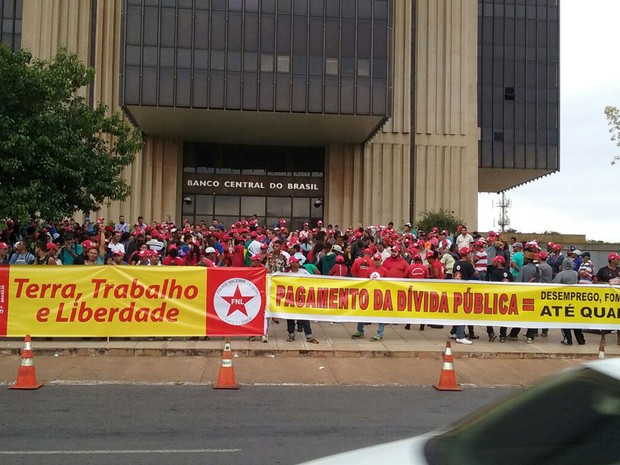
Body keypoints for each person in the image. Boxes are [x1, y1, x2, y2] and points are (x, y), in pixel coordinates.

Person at [351, 253, 389, 341]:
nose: (376, 262)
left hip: (380, 295)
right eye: (375, 260)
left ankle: (380, 333)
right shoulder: (369, 270)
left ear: (381, 260)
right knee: (362, 312)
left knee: (381, 315)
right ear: (373, 260)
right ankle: (360, 331)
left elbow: (388, 283)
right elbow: (366, 281)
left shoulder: (385, 271)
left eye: (378, 260)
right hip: (370, 294)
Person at [285, 256, 319, 344]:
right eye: (296, 262)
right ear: (292, 263)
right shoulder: (287, 275)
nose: (298, 263)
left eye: (298, 262)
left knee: (304, 317)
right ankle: (291, 335)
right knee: (290, 318)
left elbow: (312, 280)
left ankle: (309, 336)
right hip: (291, 299)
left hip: (302, 299)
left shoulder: (303, 272)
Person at [552, 258, 585, 346]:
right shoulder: (575, 273)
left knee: (565, 321)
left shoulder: (560, 274)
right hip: (574, 299)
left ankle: (568, 339)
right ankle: (580, 339)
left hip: (563, 300)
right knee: (576, 321)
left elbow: (555, 285)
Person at [488, 255, 513, 342]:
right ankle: (503, 335)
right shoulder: (509, 273)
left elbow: (494, 285)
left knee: (489, 316)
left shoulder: (494, 272)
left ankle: (491, 333)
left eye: (495, 261)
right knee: (504, 317)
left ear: (499, 262)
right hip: (506, 297)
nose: (493, 262)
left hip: (497, 296)